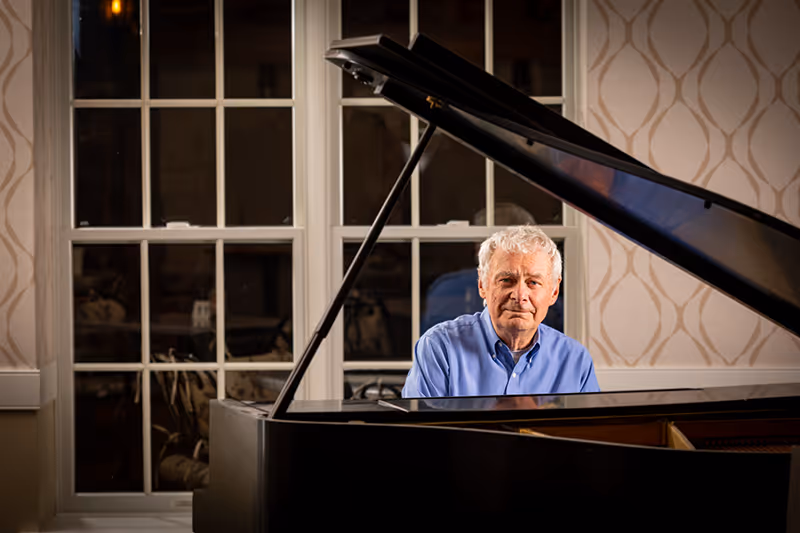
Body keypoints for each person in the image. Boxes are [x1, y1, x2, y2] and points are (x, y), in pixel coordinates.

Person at [403, 225, 599, 398]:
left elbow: (588, 435)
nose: (520, 295)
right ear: (482, 285)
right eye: (506, 280)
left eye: (533, 282)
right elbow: (420, 436)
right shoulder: (440, 348)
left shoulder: (575, 360)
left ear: (554, 291)